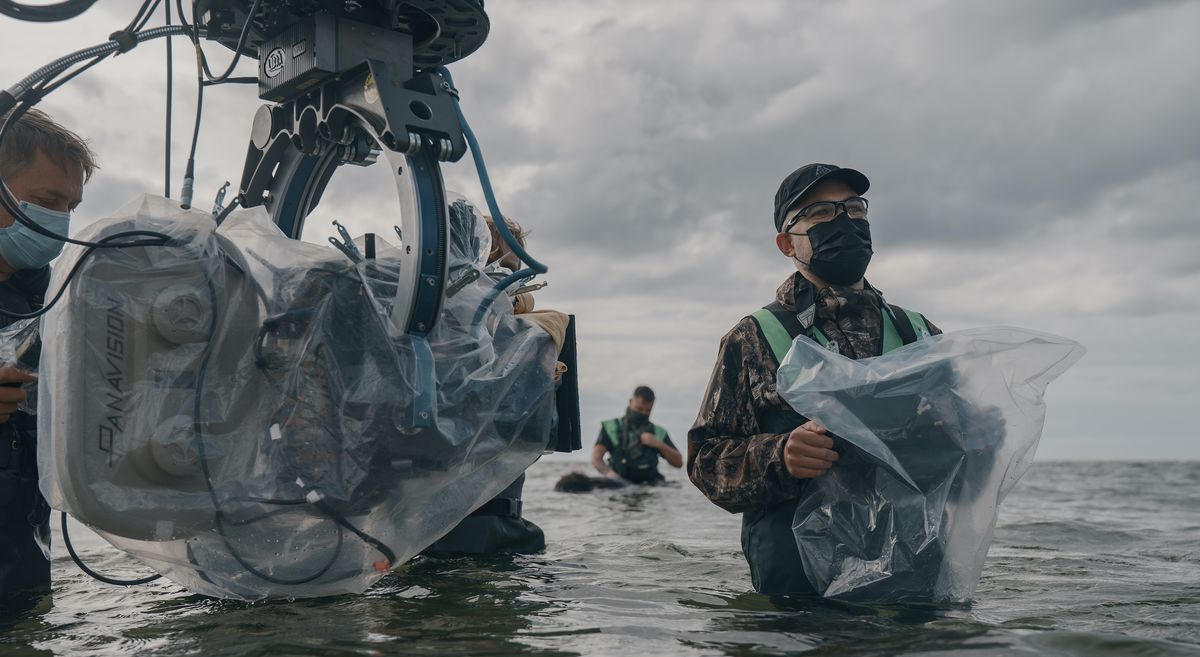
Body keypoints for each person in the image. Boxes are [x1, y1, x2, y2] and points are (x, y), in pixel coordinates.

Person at [687, 163, 940, 595]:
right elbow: (704, 463)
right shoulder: (754, 337)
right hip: (800, 598)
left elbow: (971, 448)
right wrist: (780, 455)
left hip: (912, 588)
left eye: (855, 209)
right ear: (787, 243)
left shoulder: (919, 334)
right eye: (822, 212)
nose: (845, 221)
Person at [0, 108, 95, 607]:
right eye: (45, 200)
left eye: (70, 205)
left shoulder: (50, 303)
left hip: (23, 588)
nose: (60, 220)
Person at [592, 386, 682, 484]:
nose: (643, 413)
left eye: (647, 411)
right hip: (620, 485)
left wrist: (658, 444)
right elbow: (596, 458)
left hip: (651, 486)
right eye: (639, 409)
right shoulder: (612, 427)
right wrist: (608, 473)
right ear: (631, 402)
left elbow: (678, 463)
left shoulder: (658, 432)